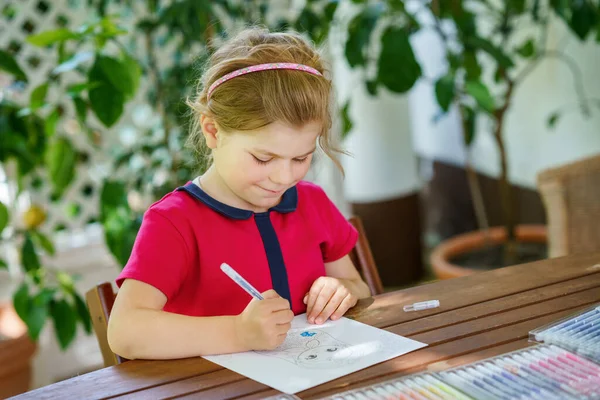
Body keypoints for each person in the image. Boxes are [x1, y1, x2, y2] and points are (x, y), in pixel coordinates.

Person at [107, 26, 371, 361]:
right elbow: (124, 331)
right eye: (263, 158)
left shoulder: (312, 203)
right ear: (212, 130)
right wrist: (238, 332)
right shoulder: (174, 223)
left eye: (301, 158)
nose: (283, 176)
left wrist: (341, 290)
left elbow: (357, 287)